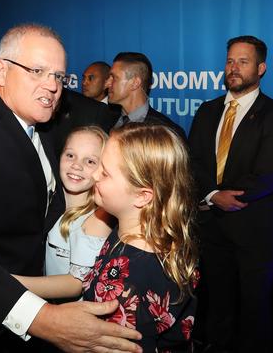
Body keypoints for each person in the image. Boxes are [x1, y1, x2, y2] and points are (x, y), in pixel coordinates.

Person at [0, 23, 142, 353]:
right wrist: (44, 319)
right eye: (37, 71)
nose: (52, 85)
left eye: (59, 77)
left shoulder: (45, 129)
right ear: (2, 71)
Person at [187, 35, 273, 353]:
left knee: (255, 308)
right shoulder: (207, 112)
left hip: (256, 230)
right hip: (212, 226)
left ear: (261, 68)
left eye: (243, 61)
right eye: (230, 61)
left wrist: (224, 196)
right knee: (217, 303)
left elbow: (266, 175)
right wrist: (211, 194)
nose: (234, 68)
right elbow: (192, 161)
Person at [81, 123, 198, 351]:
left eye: (105, 172)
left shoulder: (135, 276)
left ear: (143, 196)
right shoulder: (132, 232)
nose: (94, 174)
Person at [14, 126, 113, 298]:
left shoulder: (97, 219)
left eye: (90, 161)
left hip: (72, 317)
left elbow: (76, 284)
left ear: (102, 170)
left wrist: (8, 283)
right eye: (70, 155)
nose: (76, 165)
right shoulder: (49, 202)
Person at [105, 52, 186, 139]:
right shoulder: (106, 120)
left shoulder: (167, 133)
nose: (107, 83)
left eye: (114, 78)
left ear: (135, 83)